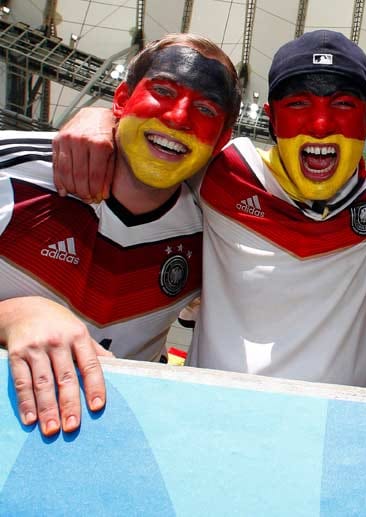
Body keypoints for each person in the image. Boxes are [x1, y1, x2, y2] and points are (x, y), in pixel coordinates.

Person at [53, 31, 366, 393]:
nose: (321, 125)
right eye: (298, 104)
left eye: (344, 105)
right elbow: (157, 143)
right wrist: (100, 118)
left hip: (333, 430)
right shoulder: (222, 171)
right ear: (270, 117)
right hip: (212, 419)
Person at [0, 33, 242, 436]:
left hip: (113, 448)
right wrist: (14, 314)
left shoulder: (213, 228)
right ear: (121, 99)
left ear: (222, 141)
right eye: (163, 91)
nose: (179, 117)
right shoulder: (11, 168)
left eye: (205, 108)